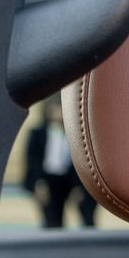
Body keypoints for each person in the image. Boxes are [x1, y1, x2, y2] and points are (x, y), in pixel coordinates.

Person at [22, 97, 97, 229]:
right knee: (52, 219)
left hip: (69, 179)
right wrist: (39, 182)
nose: (59, 112)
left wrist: (78, 186)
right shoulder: (38, 133)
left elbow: (79, 161)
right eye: (56, 108)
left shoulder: (75, 132)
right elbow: (33, 160)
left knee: (86, 207)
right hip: (47, 179)